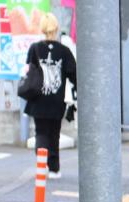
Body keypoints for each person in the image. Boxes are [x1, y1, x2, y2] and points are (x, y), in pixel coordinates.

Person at [25, 14, 76, 179]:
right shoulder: (64, 51)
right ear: (56, 28)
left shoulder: (35, 49)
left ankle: (42, 165)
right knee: (54, 134)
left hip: (38, 100)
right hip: (56, 101)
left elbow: (28, 72)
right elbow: (74, 75)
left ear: (42, 28)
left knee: (41, 133)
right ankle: (54, 168)